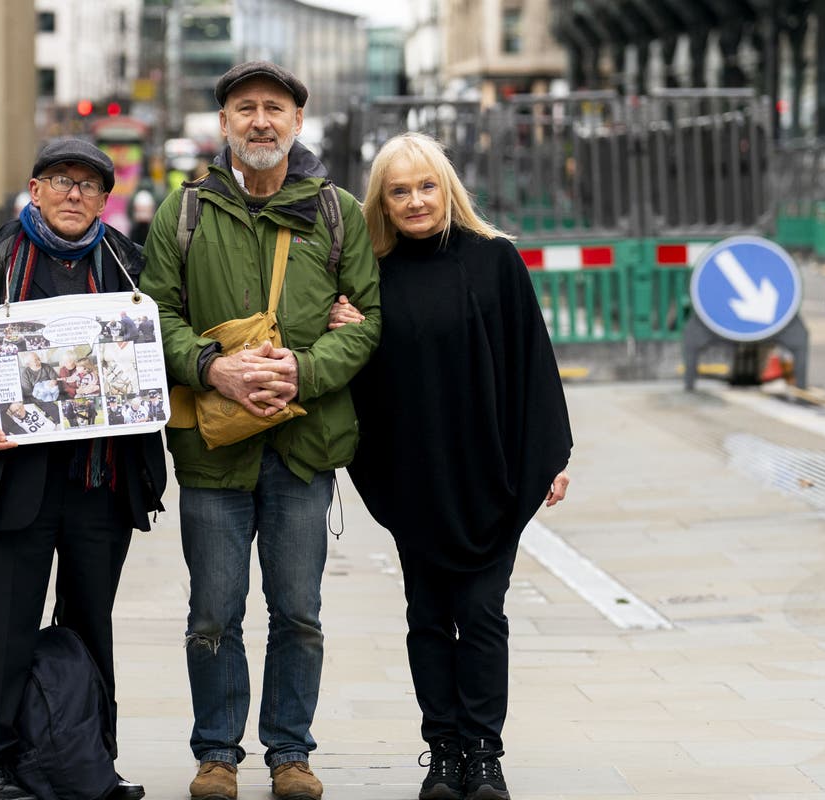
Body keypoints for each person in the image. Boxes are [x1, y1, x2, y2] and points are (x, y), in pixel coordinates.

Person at [139, 61, 381, 800]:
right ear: (224, 125)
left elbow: (368, 321)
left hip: (303, 450)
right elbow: (155, 319)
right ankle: (217, 754)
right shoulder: (181, 214)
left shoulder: (338, 213)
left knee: (297, 610)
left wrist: (299, 374)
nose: (260, 121)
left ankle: (289, 754)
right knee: (214, 609)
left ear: (298, 123)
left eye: (275, 108)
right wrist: (215, 369)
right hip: (214, 454)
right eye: (244, 109)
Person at [330, 132, 572, 800]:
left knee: (483, 612)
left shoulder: (495, 260)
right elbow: (362, 377)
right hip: (415, 474)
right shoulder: (370, 276)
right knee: (428, 615)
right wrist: (346, 330)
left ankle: (485, 754)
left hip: (491, 469)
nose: (415, 201)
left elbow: (533, 363)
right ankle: (443, 752)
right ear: (382, 200)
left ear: (448, 188)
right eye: (399, 190)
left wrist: (553, 454)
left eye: (426, 186)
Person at [0, 138, 166, 800]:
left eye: (90, 186)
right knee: (4, 628)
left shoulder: (129, 263)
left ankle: (91, 763)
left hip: (103, 484)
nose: (75, 195)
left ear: (104, 200)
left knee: (91, 624)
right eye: (62, 181)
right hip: (16, 484)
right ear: (35, 190)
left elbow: (160, 351)